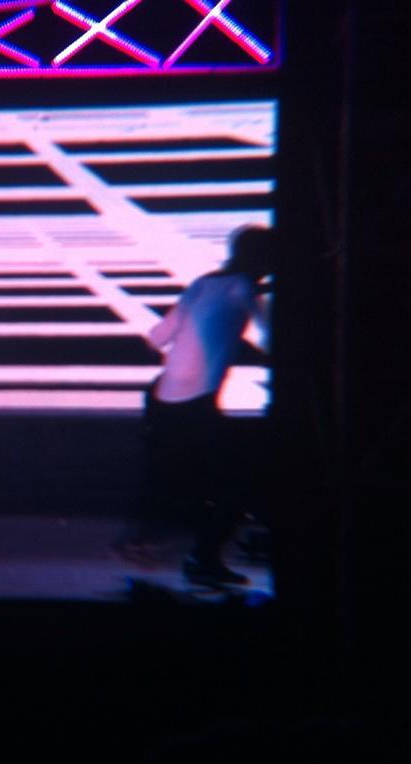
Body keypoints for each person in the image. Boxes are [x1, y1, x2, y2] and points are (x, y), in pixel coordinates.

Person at [128, 225, 274, 587]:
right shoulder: (244, 288)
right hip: (194, 405)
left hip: (163, 402)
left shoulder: (203, 284)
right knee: (243, 480)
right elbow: (273, 340)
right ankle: (203, 557)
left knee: (207, 478)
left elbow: (157, 337)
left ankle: (179, 547)